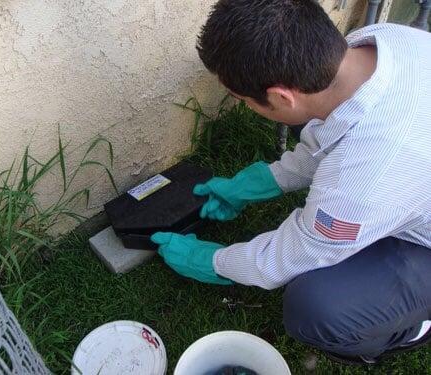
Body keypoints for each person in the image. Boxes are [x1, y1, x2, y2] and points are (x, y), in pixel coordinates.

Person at [150, 0, 431, 365]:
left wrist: (213, 261)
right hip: (409, 175)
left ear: (281, 96)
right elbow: (336, 129)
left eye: (241, 100)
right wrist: (262, 181)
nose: (244, 106)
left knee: (315, 306)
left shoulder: (362, 180)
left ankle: (413, 325)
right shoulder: (380, 43)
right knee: (310, 118)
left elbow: (285, 259)